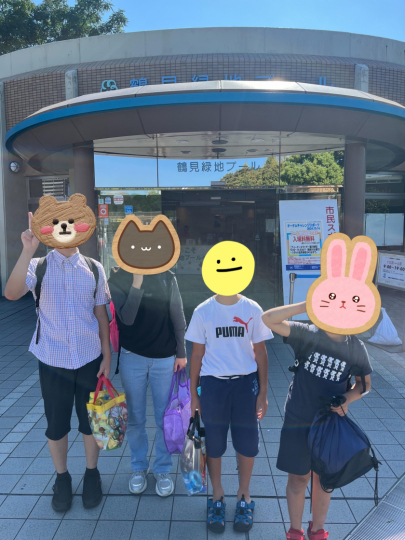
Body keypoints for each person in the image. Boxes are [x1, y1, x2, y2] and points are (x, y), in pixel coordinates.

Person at [5, 213, 111, 512]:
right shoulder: (37, 266)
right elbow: (11, 293)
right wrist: (28, 249)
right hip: (53, 359)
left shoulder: (94, 267)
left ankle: (92, 474)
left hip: (89, 358)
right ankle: (62, 478)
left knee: (91, 421)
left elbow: (101, 314)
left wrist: (107, 355)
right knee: (56, 424)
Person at [261, 301, 372, 540]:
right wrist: (308, 304)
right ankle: (295, 530)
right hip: (298, 419)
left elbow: (364, 385)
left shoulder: (355, 347)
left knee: (324, 479)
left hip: (329, 425)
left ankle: (318, 530)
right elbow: (268, 318)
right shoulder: (307, 334)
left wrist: (346, 399)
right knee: (298, 478)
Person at [187, 292, 273, 534]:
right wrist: (194, 394)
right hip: (213, 384)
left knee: (247, 442)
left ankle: (244, 494)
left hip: (246, 384)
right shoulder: (203, 310)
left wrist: (263, 392)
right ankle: (217, 494)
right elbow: (196, 354)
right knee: (214, 442)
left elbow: (261, 352)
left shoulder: (252, 308)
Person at [108, 268, 187, 497]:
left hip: (165, 358)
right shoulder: (117, 278)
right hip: (132, 356)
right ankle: (139, 468)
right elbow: (127, 318)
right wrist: (137, 282)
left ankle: (162, 469)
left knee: (165, 418)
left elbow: (178, 316)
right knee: (135, 419)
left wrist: (181, 352)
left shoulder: (167, 276)